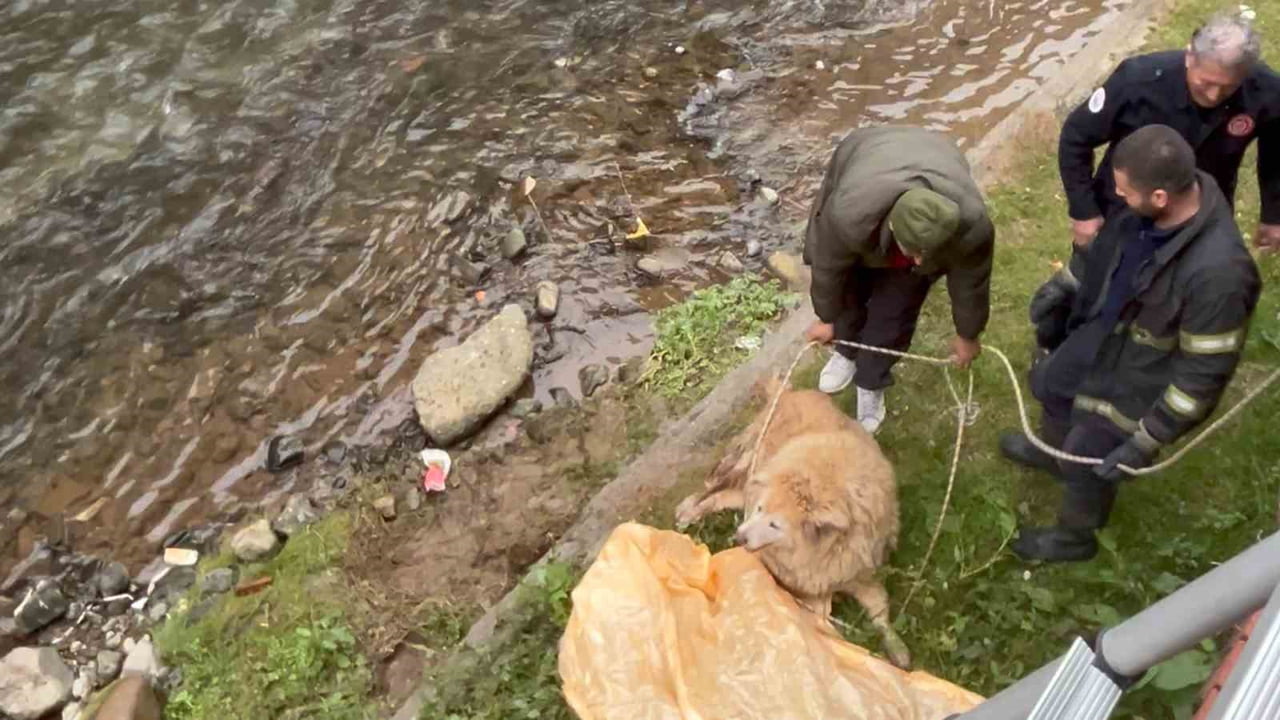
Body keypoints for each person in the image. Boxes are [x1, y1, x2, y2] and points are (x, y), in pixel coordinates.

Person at [1002, 125, 1261, 563]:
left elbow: (1203, 376)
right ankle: (1054, 454)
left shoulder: (1220, 276)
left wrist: (1146, 440)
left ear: (1160, 196)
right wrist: (1066, 284)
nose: (1118, 197)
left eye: (1125, 191)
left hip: (1143, 376)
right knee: (1051, 385)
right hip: (1103, 336)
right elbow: (1103, 254)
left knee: (1090, 454)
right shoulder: (1143, 212)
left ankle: (1075, 538)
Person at [802, 125, 994, 433]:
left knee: (894, 313)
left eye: (928, 254)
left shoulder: (972, 228)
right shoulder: (849, 215)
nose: (920, 261)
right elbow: (828, 265)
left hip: (934, 155)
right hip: (865, 154)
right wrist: (826, 318)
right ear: (892, 226)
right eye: (914, 251)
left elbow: (972, 282)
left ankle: (870, 383)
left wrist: (968, 334)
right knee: (849, 295)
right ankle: (846, 352)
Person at [1058, 13, 1280, 252]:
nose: (1214, 96)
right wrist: (1084, 211)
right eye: (1206, 82)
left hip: (1204, 211)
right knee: (1101, 280)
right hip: (1125, 206)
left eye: (1227, 87)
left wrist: (1273, 215)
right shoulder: (1137, 81)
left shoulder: (1265, 92)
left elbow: (1276, 156)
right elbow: (1076, 137)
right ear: (1189, 58)